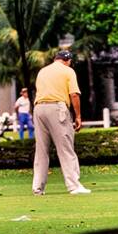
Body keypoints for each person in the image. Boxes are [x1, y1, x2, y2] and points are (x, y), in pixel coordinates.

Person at [31, 49, 90, 195]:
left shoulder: (42, 71)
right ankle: (74, 186)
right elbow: (74, 95)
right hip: (57, 107)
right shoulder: (68, 71)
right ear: (67, 60)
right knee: (66, 148)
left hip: (39, 109)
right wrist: (78, 116)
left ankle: (38, 188)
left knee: (41, 151)